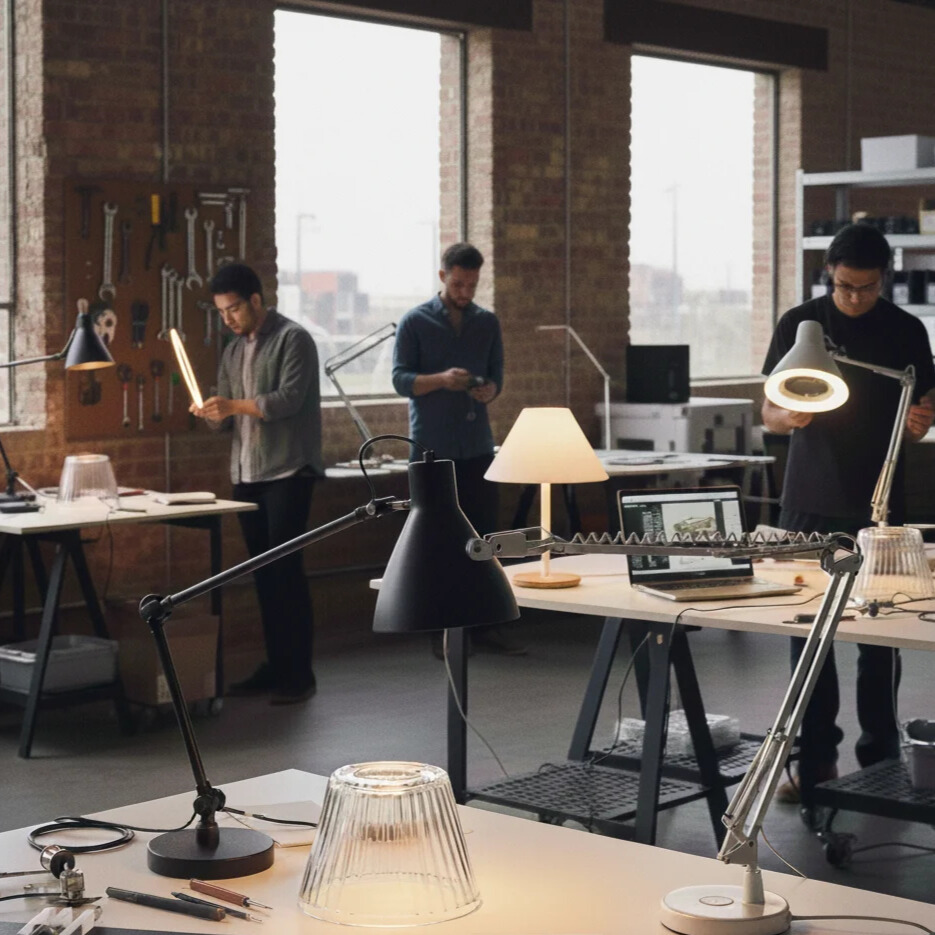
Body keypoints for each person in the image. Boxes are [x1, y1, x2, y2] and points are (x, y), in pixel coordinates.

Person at [761, 223, 935, 803]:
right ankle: (813, 765)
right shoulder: (801, 323)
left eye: (866, 287)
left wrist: (922, 419)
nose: (855, 298)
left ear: (884, 277)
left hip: (879, 505)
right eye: (844, 287)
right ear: (828, 276)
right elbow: (769, 413)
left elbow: (923, 404)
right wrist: (790, 418)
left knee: (879, 639)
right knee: (809, 635)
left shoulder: (907, 331)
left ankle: (881, 763)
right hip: (809, 500)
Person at [191, 263, 323, 704]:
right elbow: (229, 418)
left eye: (232, 310)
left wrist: (231, 405)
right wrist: (214, 413)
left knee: (286, 574)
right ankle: (276, 666)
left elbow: (286, 400)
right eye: (221, 312)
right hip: (246, 476)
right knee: (264, 577)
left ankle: (299, 674)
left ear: (255, 300)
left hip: (288, 473)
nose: (227, 319)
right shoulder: (232, 351)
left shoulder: (294, 339)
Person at [393, 242, 526, 657]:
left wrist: (489, 391)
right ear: (442, 277)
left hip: (477, 446)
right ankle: (442, 630)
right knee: (436, 542)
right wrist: (441, 380)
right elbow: (400, 380)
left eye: (472, 284)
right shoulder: (414, 321)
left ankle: (485, 626)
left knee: (485, 536)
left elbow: (497, 378)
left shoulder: (487, 323)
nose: (466, 291)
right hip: (431, 450)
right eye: (458, 283)